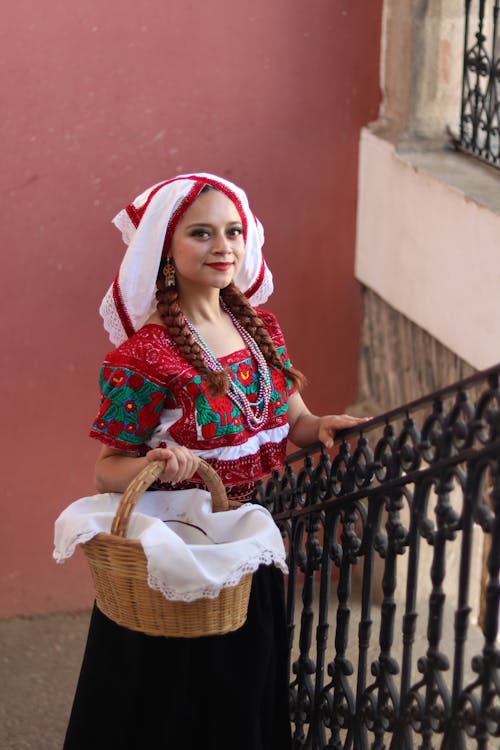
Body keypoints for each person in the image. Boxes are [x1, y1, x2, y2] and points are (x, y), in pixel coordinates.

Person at [63, 172, 367, 750]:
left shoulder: (259, 329)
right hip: (179, 562)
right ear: (167, 252)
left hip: (248, 549)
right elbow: (108, 469)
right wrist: (163, 463)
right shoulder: (146, 354)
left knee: (241, 697)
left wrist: (320, 426)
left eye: (233, 231)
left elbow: (295, 422)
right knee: (174, 713)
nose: (223, 246)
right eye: (201, 233)